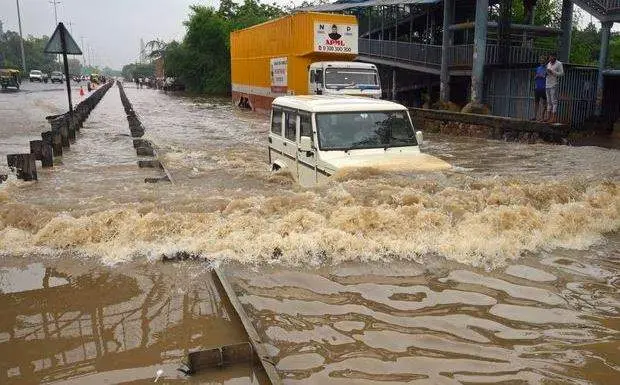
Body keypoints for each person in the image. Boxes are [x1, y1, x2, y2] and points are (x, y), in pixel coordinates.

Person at [545, 52, 564, 123]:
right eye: (549, 57)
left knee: (554, 101)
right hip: (547, 84)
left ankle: (553, 118)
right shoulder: (548, 64)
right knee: (548, 101)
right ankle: (548, 117)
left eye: (551, 57)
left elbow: (562, 73)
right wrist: (546, 73)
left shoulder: (559, 64)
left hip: (554, 84)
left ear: (554, 57)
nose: (550, 58)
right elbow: (546, 73)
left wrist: (553, 72)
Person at [533, 55, 547, 121]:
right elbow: (535, 77)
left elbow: (546, 76)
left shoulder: (547, 68)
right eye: (541, 60)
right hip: (537, 87)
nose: (542, 61)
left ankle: (542, 117)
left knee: (544, 102)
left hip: (544, 87)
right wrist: (536, 77)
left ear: (545, 61)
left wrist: (540, 76)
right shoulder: (538, 68)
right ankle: (535, 116)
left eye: (543, 60)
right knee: (536, 102)